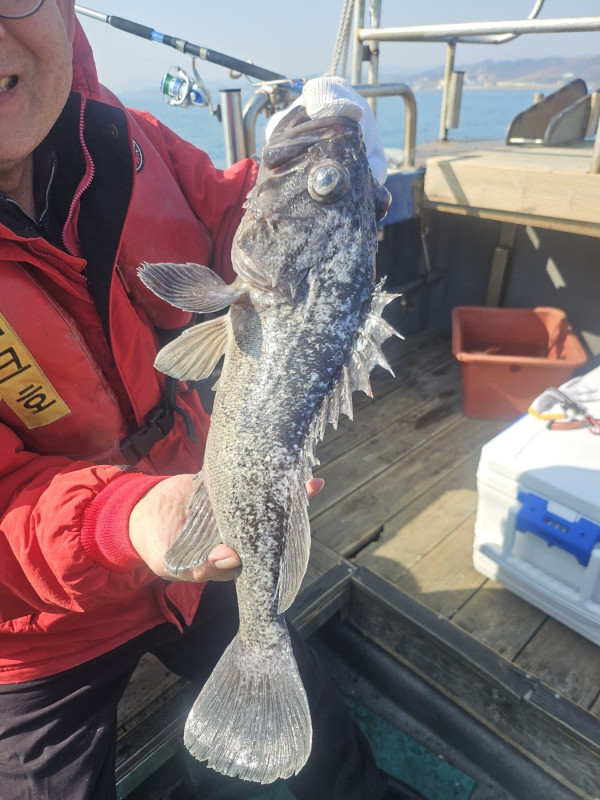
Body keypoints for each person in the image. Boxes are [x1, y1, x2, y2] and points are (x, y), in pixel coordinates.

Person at [0, 2, 415, 799]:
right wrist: (123, 522)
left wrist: (317, 176)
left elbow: (237, 222)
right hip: (40, 628)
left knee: (328, 743)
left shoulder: (128, 138)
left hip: (209, 533)